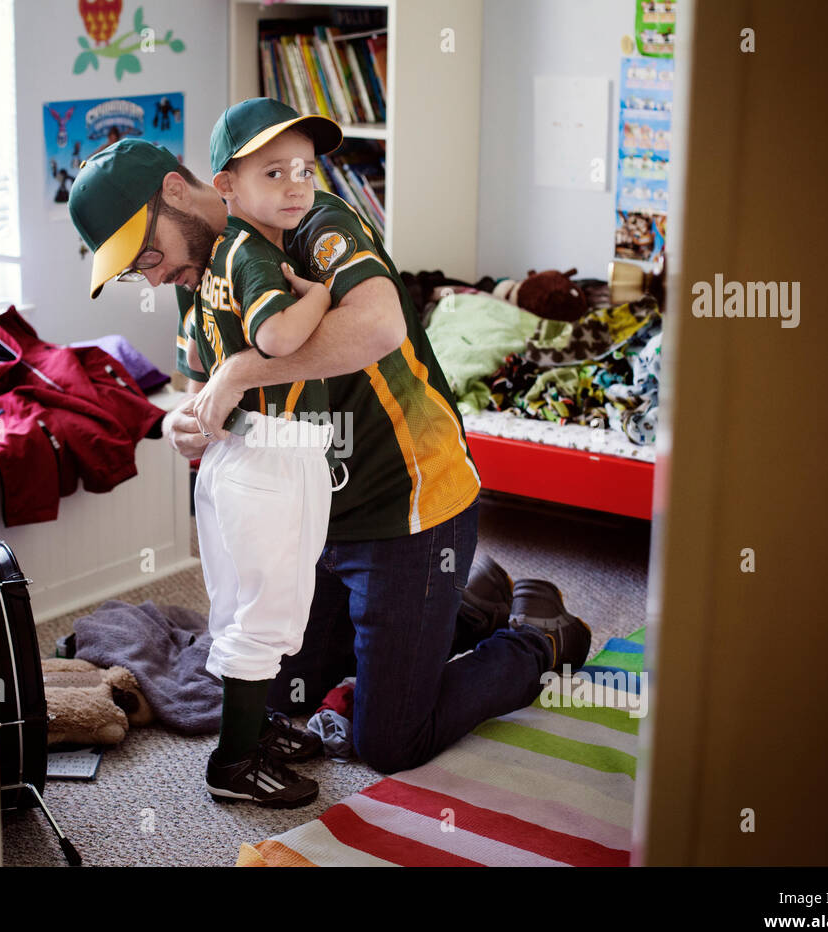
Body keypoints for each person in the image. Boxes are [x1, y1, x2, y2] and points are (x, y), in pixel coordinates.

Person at [68, 102, 592, 778]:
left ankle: (534, 643)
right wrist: (185, 418)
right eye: (136, 272)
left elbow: (378, 327)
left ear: (176, 192)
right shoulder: (200, 271)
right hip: (311, 520)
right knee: (289, 693)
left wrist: (242, 371)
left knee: (389, 742)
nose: (154, 277)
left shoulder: (314, 225)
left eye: (147, 256)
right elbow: (196, 380)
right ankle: (463, 605)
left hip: (407, 507)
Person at [179, 101, 347, 808]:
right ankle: (235, 764)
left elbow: (193, 350)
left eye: (305, 172)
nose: (296, 187)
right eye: (273, 172)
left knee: (241, 606)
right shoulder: (254, 255)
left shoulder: (216, 258)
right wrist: (323, 296)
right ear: (226, 185)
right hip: (273, 456)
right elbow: (277, 339)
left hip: (234, 459)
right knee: (271, 611)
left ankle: (256, 725)